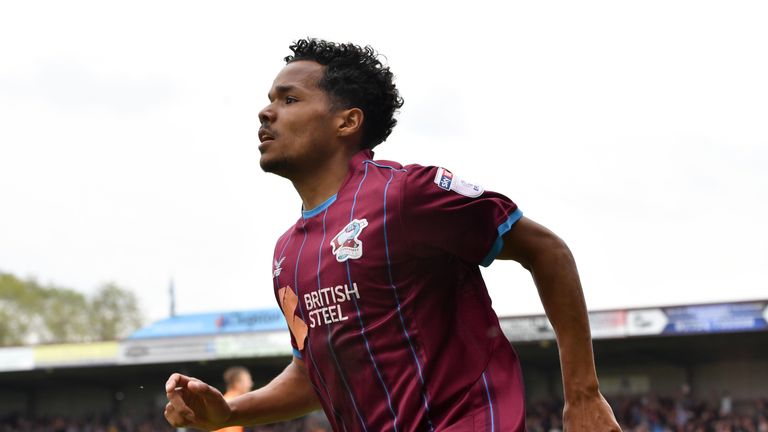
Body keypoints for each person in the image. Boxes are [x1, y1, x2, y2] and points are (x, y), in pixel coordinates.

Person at [164, 38, 621, 431]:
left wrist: (583, 394)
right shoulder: (289, 253)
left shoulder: (406, 195)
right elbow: (313, 374)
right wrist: (227, 412)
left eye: (289, 100)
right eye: (270, 99)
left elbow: (546, 251)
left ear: (347, 122)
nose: (266, 112)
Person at [214, 366, 254, 432]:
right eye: (248, 380)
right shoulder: (233, 404)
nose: (251, 384)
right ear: (237, 383)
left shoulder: (226, 400)